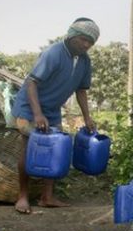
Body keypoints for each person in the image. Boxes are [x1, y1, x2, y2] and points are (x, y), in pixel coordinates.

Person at [9, 17, 99, 214]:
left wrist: (87, 118)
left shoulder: (84, 61)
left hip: (52, 109)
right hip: (29, 106)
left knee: (56, 147)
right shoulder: (54, 53)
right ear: (72, 35)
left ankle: (46, 196)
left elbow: (81, 90)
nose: (86, 45)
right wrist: (37, 114)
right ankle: (22, 196)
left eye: (90, 42)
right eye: (83, 39)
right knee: (29, 145)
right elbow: (32, 83)